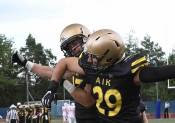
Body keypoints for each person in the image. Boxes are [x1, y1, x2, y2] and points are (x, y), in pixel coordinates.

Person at [41, 29, 175, 123]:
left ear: (107, 57)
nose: (88, 60)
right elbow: (63, 63)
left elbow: (158, 73)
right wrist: (52, 88)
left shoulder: (126, 72)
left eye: (93, 57)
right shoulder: (93, 68)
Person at [12, 23, 99, 123]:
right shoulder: (77, 63)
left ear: (85, 39)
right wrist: (27, 64)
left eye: (74, 43)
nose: (73, 49)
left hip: (94, 117)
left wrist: (63, 83)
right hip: (84, 117)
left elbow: (88, 102)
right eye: (70, 46)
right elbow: (53, 73)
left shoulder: (89, 62)